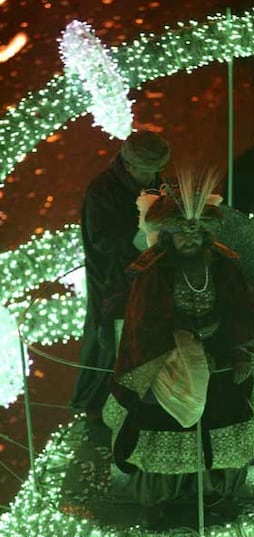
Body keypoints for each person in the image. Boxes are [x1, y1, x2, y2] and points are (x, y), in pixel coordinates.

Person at [101, 171, 254, 527]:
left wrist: (245, 350)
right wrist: (168, 358)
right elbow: (141, 325)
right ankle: (165, 498)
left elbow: (242, 310)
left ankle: (213, 496)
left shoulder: (223, 265)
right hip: (165, 362)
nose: (190, 240)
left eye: (197, 234)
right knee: (162, 425)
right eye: (182, 235)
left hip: (216, 357)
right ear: (169, 238)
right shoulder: (153, 272)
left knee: (223, 417)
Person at [70, 130, 171, 421]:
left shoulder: (154, 183)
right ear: (129, 166)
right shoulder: (102, 191)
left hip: (148, 272)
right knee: (108, 340)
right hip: (111, 278)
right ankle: (97, 402)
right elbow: (102, 240)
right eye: (147, 171)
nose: (152, 177)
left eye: (156, 171)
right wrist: (138, 237)